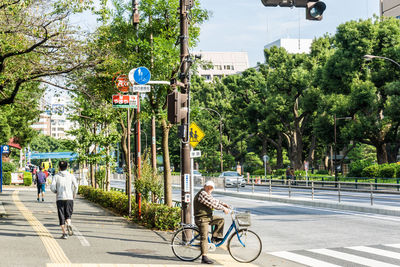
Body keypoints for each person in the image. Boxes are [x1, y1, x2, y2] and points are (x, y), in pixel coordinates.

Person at [194, 180, 230, 264]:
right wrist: (223, 208)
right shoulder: (202, 194)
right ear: (204, 186)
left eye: (211, 187)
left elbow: (214, 200)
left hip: (208, 217)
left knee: (220, 220)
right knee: (204, 237)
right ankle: (204, 257)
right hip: (202, 219)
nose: (209, 189)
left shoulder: (207, 194)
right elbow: (212, 204)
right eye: (208, 187)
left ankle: (215, 237)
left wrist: (224, 204)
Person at [50, 161, 78, 239]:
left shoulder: (56, 176)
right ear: (67, 167)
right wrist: (74, 194)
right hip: (69, 198)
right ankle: (69, 223)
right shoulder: (71, 176)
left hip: (60, 198)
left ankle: (64, 233)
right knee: (68, 215)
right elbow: (76, 186)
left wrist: (56, 191)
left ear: (59, 167)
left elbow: (52, 187)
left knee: (61, 215)